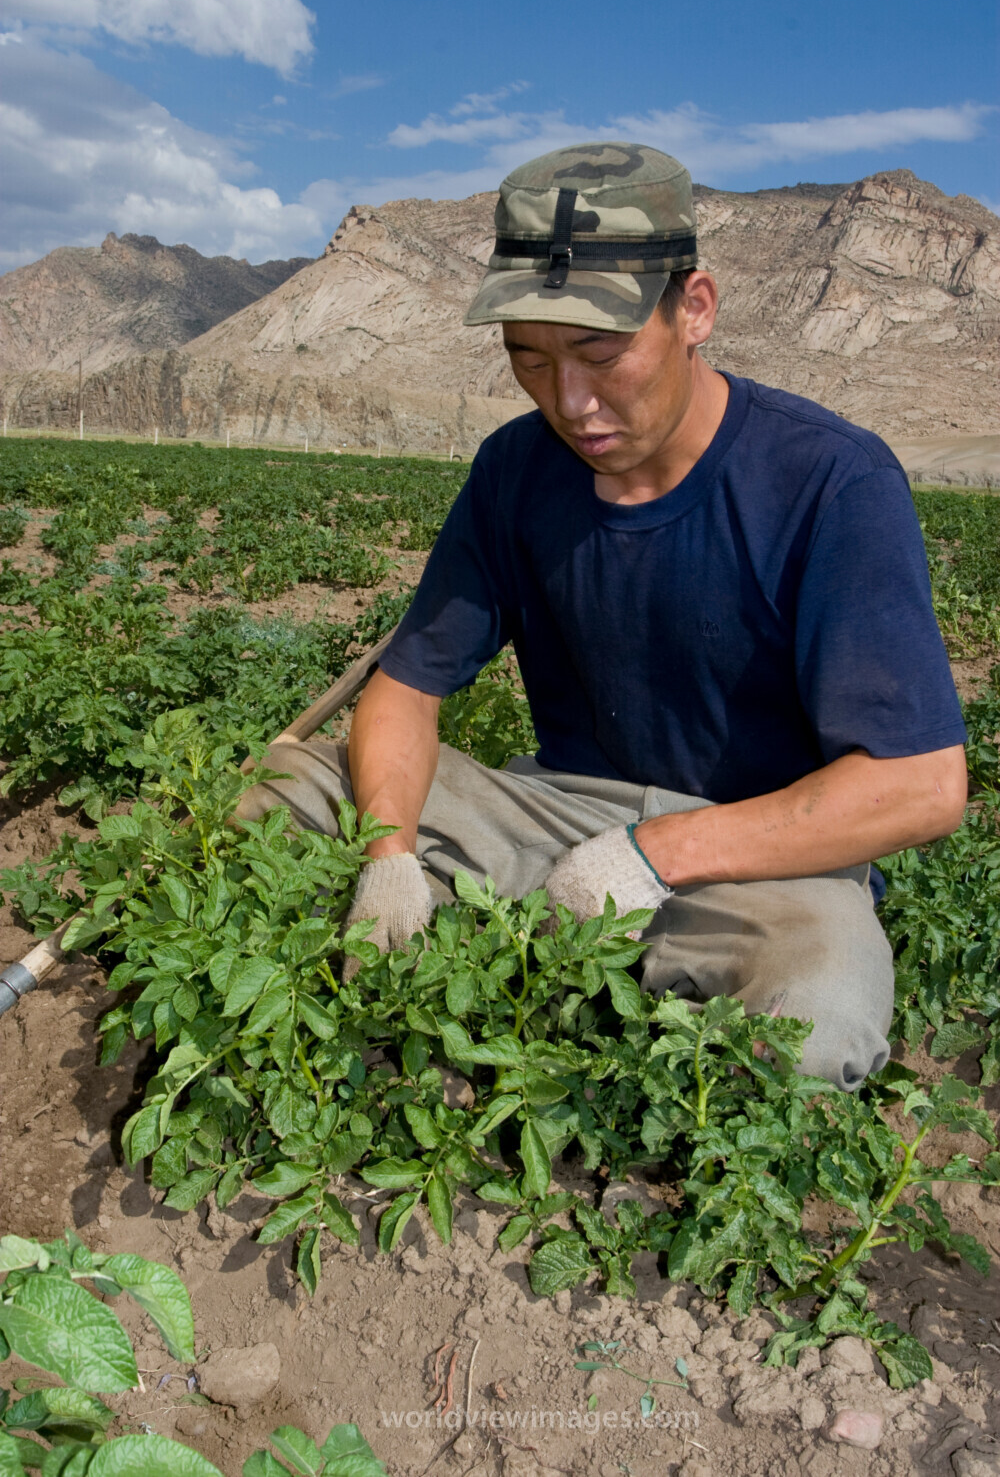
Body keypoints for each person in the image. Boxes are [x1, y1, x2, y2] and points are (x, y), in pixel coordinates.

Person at [240, 142, 968, 1090]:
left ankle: (544, 984)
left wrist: (655, 853)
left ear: (694, 308)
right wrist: (389, 858)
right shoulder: (516, 470)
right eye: (529, 362)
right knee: (289, 790)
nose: (570, 403)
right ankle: (511, 955)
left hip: (765, 854)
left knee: (815, 1024)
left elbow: (921, 787)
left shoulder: (831, 480)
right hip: (559, 814)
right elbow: (405, 689)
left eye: (600, 352)